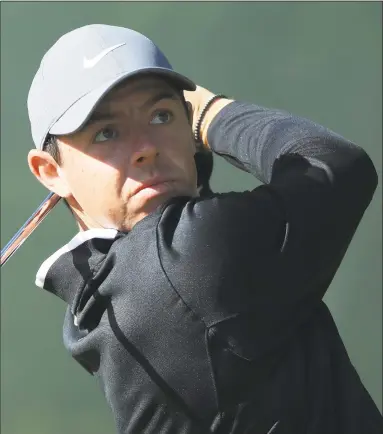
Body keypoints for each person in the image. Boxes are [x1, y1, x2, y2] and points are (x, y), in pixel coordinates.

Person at [27, 24, 382, 434]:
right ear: (50, 172)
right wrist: (211, 113)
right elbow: (333, 164)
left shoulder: (95, 297)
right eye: (106, 132)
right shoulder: (188, 259)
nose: (147, 147)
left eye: (161, 116)